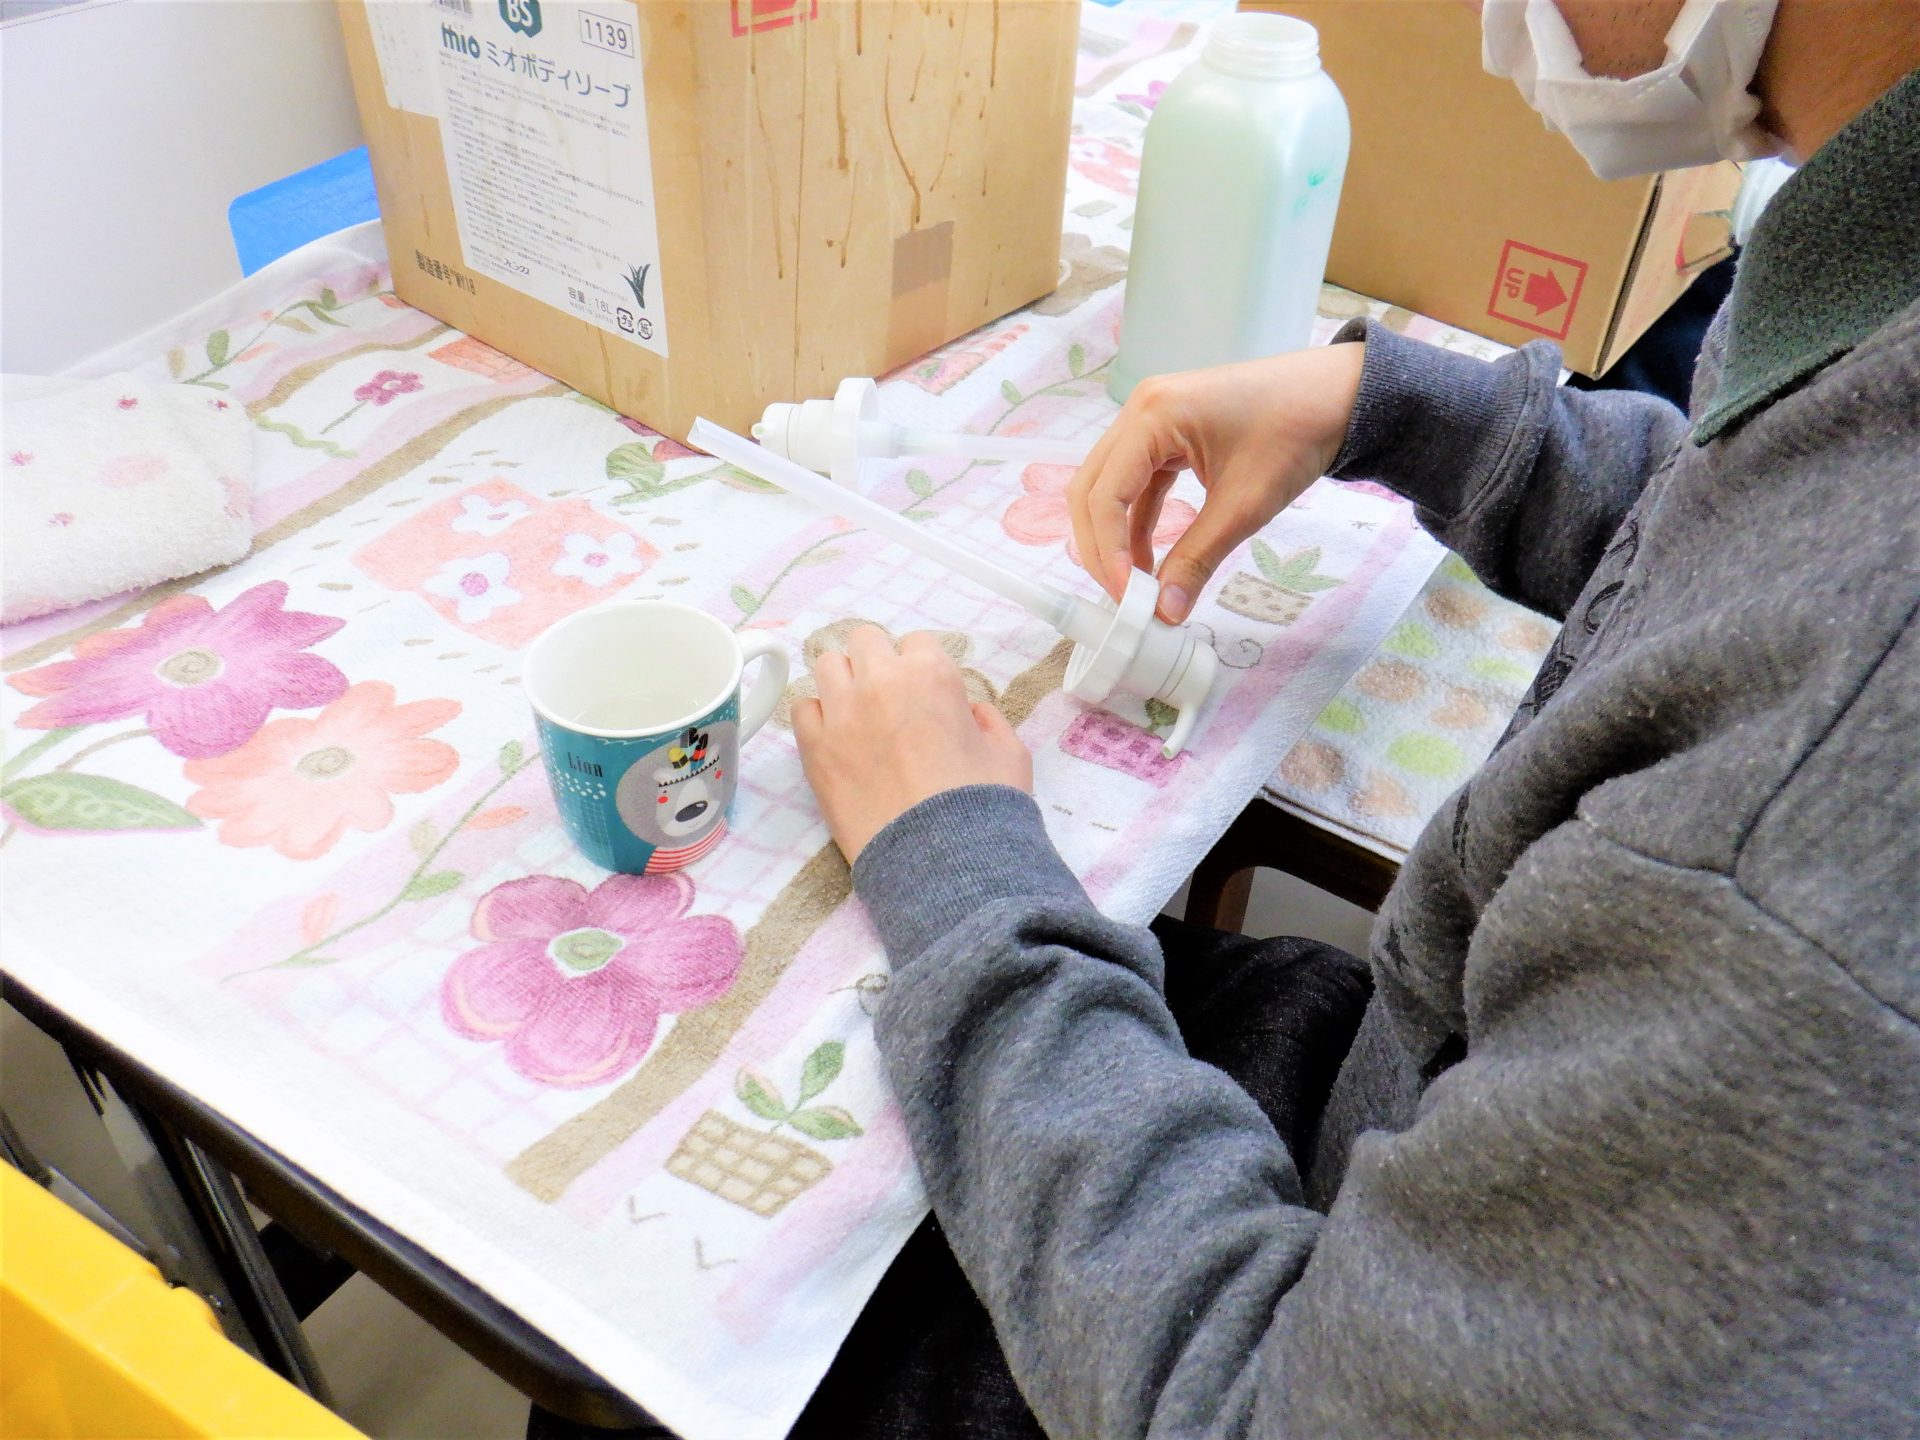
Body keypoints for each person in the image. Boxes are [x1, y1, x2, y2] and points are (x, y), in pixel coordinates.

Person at [777, 1, 1920, 1436]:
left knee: (738, 1268)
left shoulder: (1810, 846)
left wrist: (955, 866)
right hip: (1410, 1128)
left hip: (1296, 1343)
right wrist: (1400, 411)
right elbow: (1771, 529)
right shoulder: (1875, 302)